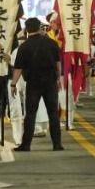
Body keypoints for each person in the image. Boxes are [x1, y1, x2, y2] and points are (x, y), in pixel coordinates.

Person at [11, 18, 63, 152]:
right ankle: (57, 144)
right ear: (39, 28)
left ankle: (26, 145)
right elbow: (58, 63)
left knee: (30, 114)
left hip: (33, 83)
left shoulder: (24, 47)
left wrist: (13, 84)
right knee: (53, 113)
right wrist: (58, 79)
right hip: (50, 82)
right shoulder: (52, 43)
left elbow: (18, 68)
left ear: (27, 30)